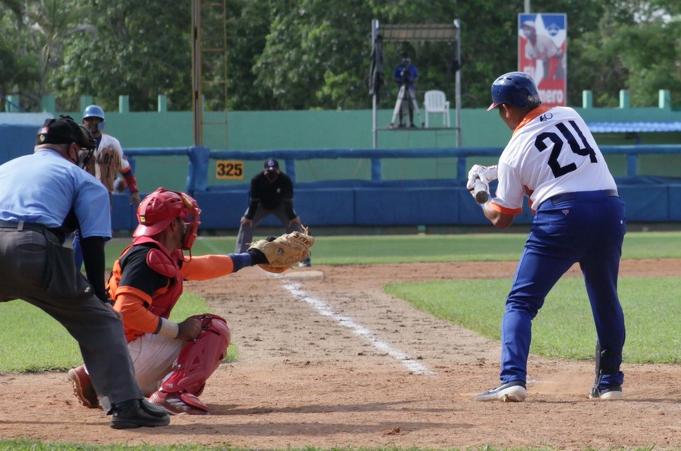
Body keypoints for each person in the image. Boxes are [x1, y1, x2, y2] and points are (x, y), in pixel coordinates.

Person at [0, 115, 169, 429]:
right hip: (31, 248)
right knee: (101, 321)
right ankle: (125, 405)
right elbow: (92, 244)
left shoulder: (6, 168)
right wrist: (100, 296)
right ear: (72, 148)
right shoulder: (82, 178)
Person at [467, 72, 626, 402]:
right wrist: (497, 168)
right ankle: (610, 382)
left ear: (507, 108)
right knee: (605, 296)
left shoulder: (512, 153)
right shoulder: (570, 114)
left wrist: (481, 193)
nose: (501, 116)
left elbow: (502, 216)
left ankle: (512, 380)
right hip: (610, 208)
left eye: (500, 109)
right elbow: (561, 158)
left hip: (563, 216)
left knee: (520, 303)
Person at [67, 187, 272, 414]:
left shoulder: (153, 252)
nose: (188, 225)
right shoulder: (147, 258)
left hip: (112, 351)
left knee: (188, 338)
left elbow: (203, 266)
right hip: (126, 354)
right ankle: (171, 393)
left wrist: (252, 257)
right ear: (172, 225)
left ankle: (91, 376)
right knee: (212, 328)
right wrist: (176, 329)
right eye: (183, 220)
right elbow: (126, 309)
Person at [235, 159, 311, 266]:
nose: (271, 174)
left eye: (274, 172)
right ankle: (240, 257)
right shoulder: (257, 180)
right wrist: (249, 217)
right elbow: (254, 201)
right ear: (264, 171)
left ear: (278, 171)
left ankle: (303, 258)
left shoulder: (285, 180)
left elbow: (288, 201)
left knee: (295, 224)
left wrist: (292, 217)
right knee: (246, 222)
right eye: (269, 172)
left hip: (281, 206)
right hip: (260, 205)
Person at [81, 104, 141, 205]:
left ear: (102, 122)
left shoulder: (112, 143)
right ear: (83, 122)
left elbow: (126, 170)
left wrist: (134, 191)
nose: (94, 123)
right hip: (82, 193)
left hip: (105, 194)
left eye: (97, 120)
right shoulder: (77, 143)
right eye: (90, 119)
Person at [391, 53, 419, 128]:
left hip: (410, 87)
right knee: (400, 105)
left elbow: (416, 77)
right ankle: (400, 122)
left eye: (407, 59)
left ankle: (411, 122)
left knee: (411, 104)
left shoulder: (413, 67)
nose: (406, 61)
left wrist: (411, 80)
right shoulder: (398, 67)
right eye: (404, 59)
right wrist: (401, 80)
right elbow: (394, 77)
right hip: (401, 88)